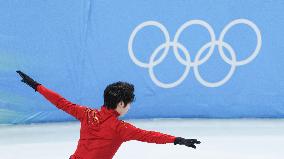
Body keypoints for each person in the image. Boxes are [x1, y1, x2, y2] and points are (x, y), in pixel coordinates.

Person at [16, 70, 201, 159]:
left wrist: (36, 86)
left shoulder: (86, 113)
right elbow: (149, 136)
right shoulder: (121, 128)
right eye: (129, 104)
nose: (129, 107)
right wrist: (176, 139)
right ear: (121, 104)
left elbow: (60, 102)